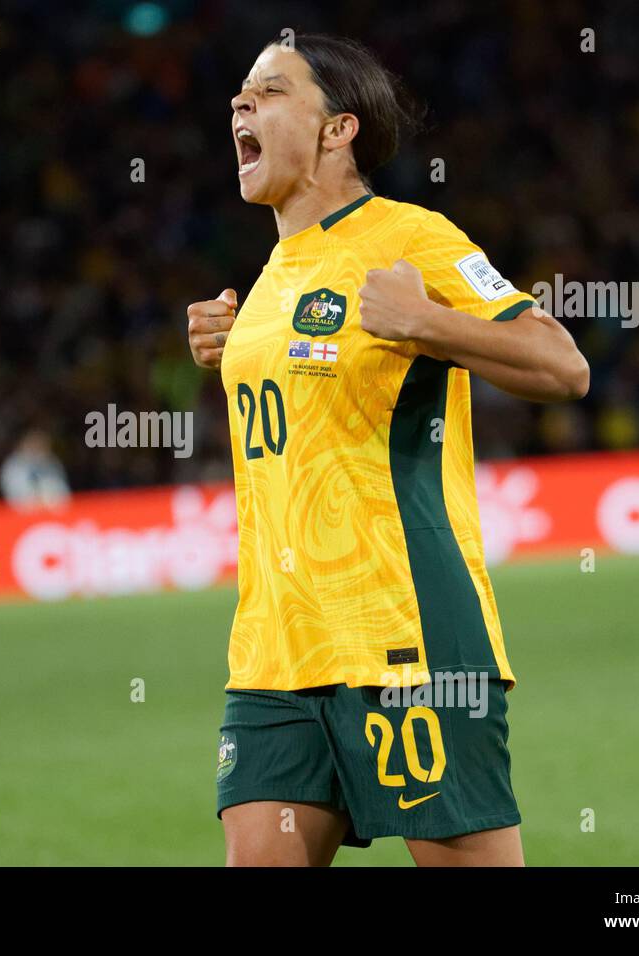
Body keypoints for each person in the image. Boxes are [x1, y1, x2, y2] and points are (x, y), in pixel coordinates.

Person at [186, 33, 589, 867]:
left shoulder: (412, 236)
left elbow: (563, 364)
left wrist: (429, 322)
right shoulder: (266, 279)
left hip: (406, 634)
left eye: (267, 92)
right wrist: (229, 350)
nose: (239, 107)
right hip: (274, 648)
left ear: (338, 129)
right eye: (237, 96)